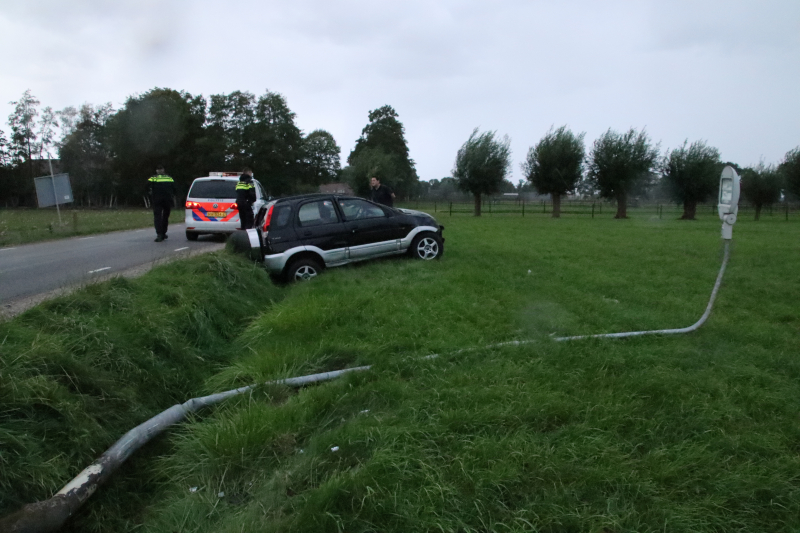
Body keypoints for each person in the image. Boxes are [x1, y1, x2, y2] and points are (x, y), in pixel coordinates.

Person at [148, 165, 175, 242]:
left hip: (157, 200)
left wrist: (150, 194)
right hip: (167, 200)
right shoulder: (169, 178)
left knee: (158, 217)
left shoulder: (153, 178)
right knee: (165, 217)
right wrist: (172, 195)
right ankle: (163, 232)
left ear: (157, 171)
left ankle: (159, 234)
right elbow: (174, 188)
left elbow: (146, 187)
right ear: (163, 170)